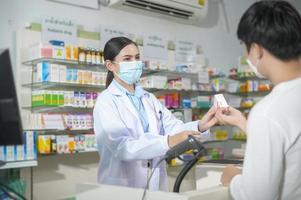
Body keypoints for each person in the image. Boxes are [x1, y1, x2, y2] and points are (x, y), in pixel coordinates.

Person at [93, 37, 218, 190]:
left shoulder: (148, 98)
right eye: (127, 59)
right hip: (122, 186)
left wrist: (200, 125)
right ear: (110, 65)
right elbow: (122, 147)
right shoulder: (106, 101)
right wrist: (168, 142)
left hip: (154, 182)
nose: (135, 63)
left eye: (137, 58)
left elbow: (172, 127)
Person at [215, 1, 301, 199]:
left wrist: (233, 179)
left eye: (245, 48)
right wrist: (243, 123)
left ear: (256, 49)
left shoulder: (268, 112)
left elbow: (257, 197)